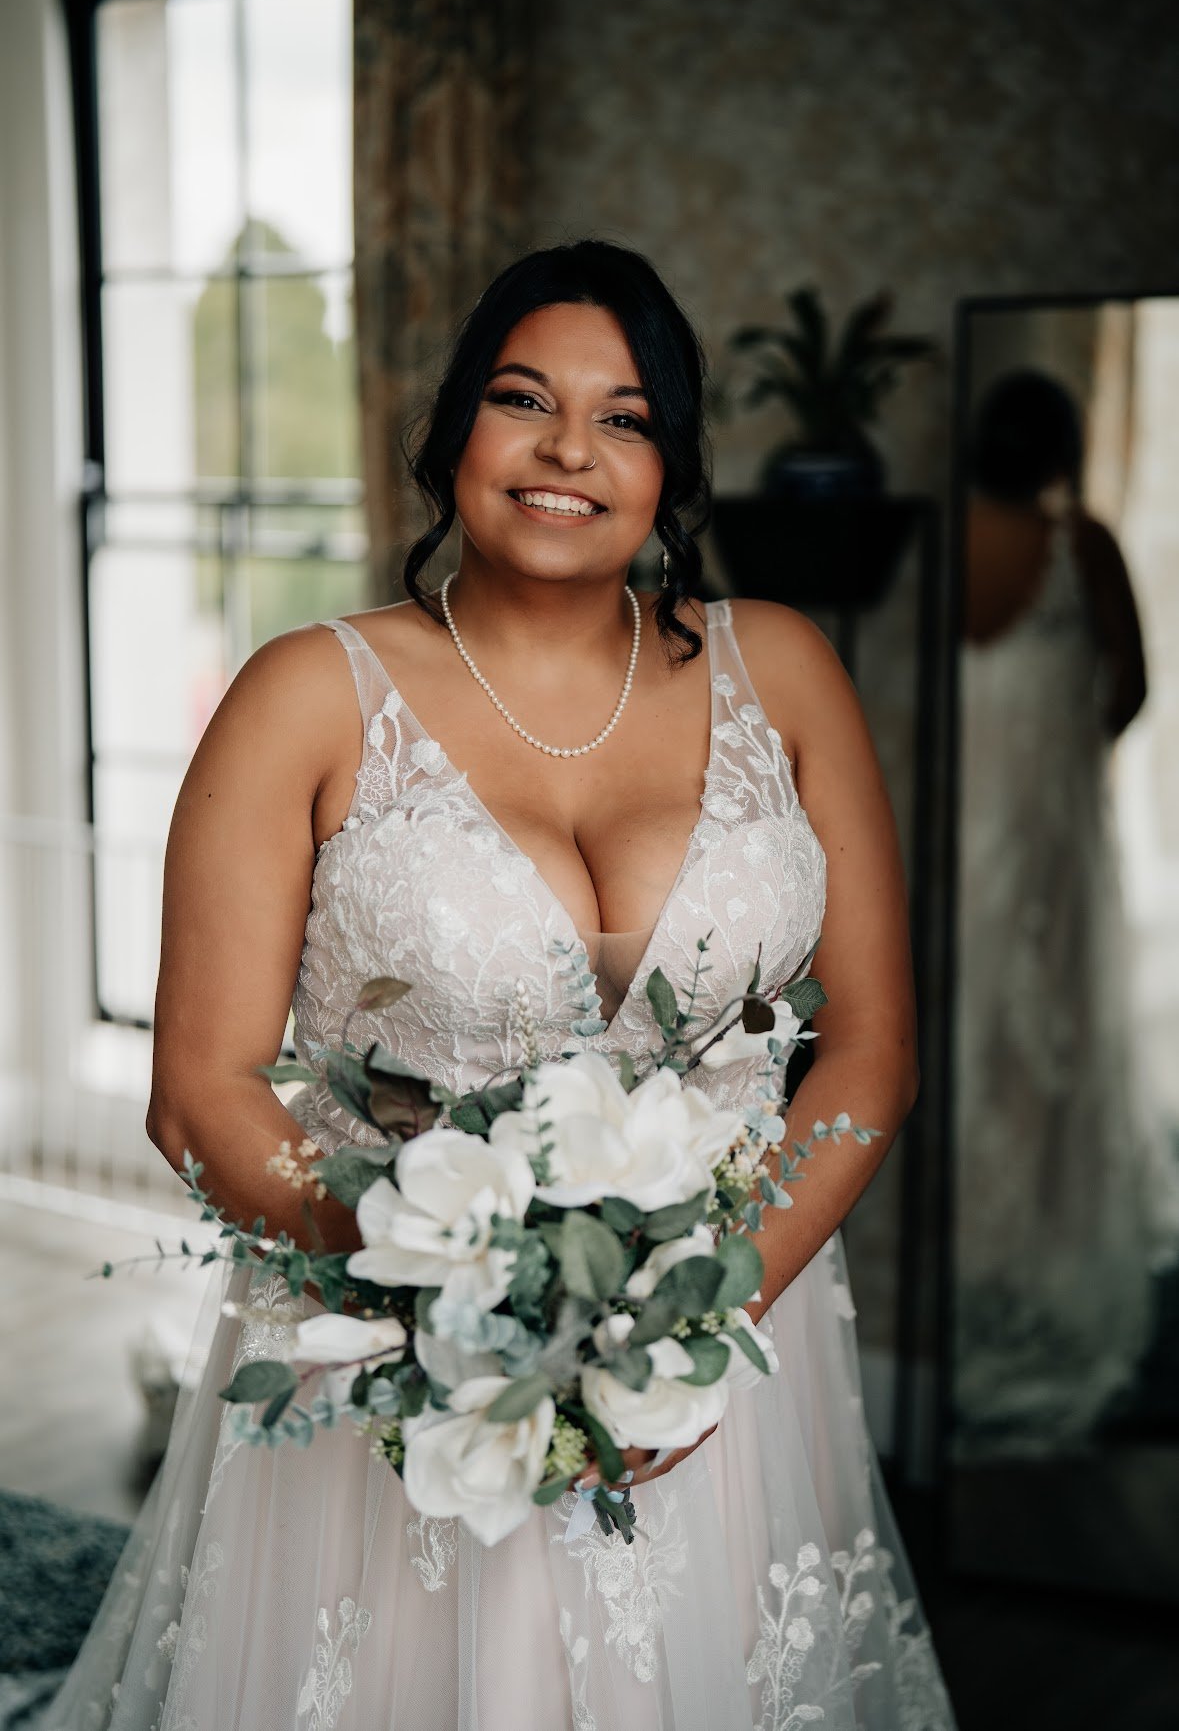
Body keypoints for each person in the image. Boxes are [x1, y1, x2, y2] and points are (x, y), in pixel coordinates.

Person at [41, 240, 956, 1728]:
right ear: (451, 427)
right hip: (395, 1365)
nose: (565, 451)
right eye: (521, 399)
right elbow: (196, 1088)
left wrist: (688, 1325)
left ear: (671, 464)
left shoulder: (781, 671)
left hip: (728, 1347)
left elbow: (871, 1052)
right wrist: (454, 1297)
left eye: (625, 415)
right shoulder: (303, 695)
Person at [955, 367, 1179, 1454]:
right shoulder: (1079, 540)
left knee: (983, 1026)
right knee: (1044, 1032)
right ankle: (1026, 1246)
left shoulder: (952, 537)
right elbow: (1133, 684)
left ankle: (981, 1255)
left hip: (962, 825)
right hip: (1040, 831)